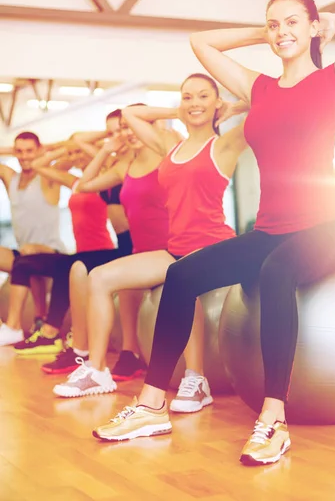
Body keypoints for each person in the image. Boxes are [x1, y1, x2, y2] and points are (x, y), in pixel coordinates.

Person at [92, 0, 335, 465]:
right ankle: (152, 404)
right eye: (273, 24)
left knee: (277, 272)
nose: (282, 32)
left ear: (312, 26)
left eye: (292, 23)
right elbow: (202, 42)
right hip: (272, 228)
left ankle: (273, 420)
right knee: (182, 276)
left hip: (330, 227)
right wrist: (265, 33)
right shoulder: (259, 87)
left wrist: (332, 20)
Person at [54, 74, 247, 411]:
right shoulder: (169, 149)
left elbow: (267, 102)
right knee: (99, 278)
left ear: (217, 102)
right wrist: (184, 110)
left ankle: (196, 380)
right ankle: (97, 370)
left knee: (184, 279)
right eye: (187, 97)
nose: (194, 103)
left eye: (203, 96)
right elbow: (130, 115)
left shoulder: (224, 145)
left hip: (213, 244)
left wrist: (229, 108)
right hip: (174, 248)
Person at [10, 112, 135, 358]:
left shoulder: (110, 176)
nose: (77, 156)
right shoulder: (81, 183)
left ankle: (51, 332)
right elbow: (38, 164)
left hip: (107, 248)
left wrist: (105, 143)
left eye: (119, 131)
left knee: (67, 267)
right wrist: (65, 148)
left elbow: (81, 143)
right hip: (84, 251)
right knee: (42, 265)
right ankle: (48, 331)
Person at [0, 131, 65, 346]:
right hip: (24, 254)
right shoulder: (12, 178)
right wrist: (13, 152)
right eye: (19, 151)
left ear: (39, 149)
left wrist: (42, 151)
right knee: (25, 254)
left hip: (53, 252)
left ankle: (15, 326)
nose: (24, 156)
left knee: (28, 252)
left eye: (30, 150)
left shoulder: (48, 176)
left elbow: (70, 148)